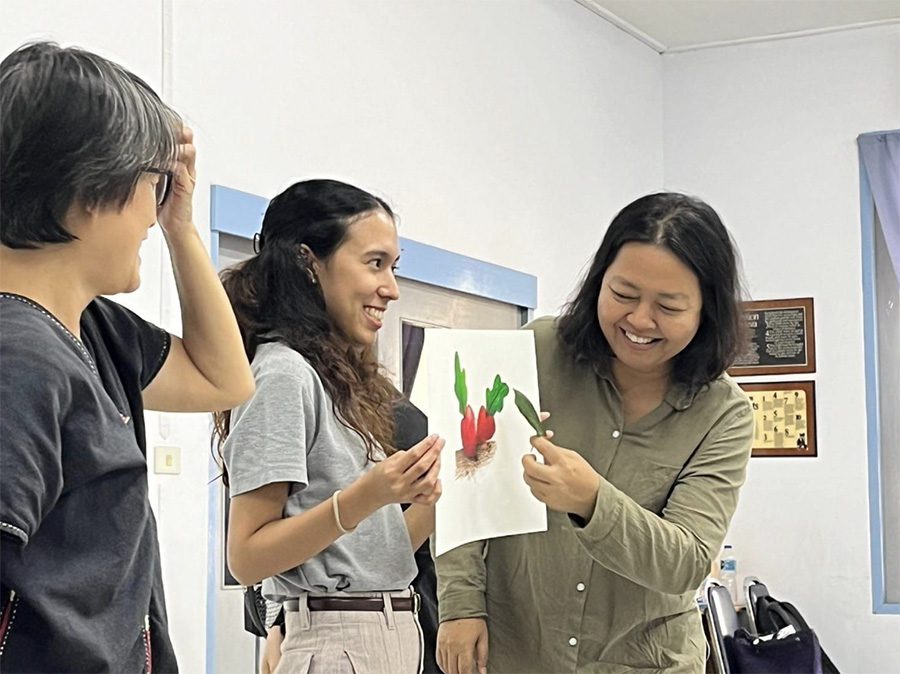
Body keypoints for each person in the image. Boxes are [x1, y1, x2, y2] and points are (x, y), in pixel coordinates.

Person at [0, 42, 254, 672]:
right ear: (93, 185)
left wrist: (181, 226)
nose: (154, 209)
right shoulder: (19, 357)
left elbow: (225, 380)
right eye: (153, 184)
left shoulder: (93, 330)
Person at [435, 192, 755, 674]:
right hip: (516, 652)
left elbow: (687, 561)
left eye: (668, 306)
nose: (640, 320)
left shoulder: (723, 413)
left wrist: (592, 502)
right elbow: (466, 482)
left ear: (706, 311)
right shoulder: (537, 350)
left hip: (645, 660)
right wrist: (461, 603)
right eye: (623, 294)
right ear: (599, 281)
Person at [216, 179, 443, 674]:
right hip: (341, 640)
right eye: (375, 263)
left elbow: (375, 557)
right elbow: (247, 557)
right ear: (309, 262)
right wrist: (368, 495)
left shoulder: (341, 382)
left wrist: (448, 490)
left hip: (388, 631)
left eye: (393, 267)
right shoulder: (282, 375)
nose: (392, 288)